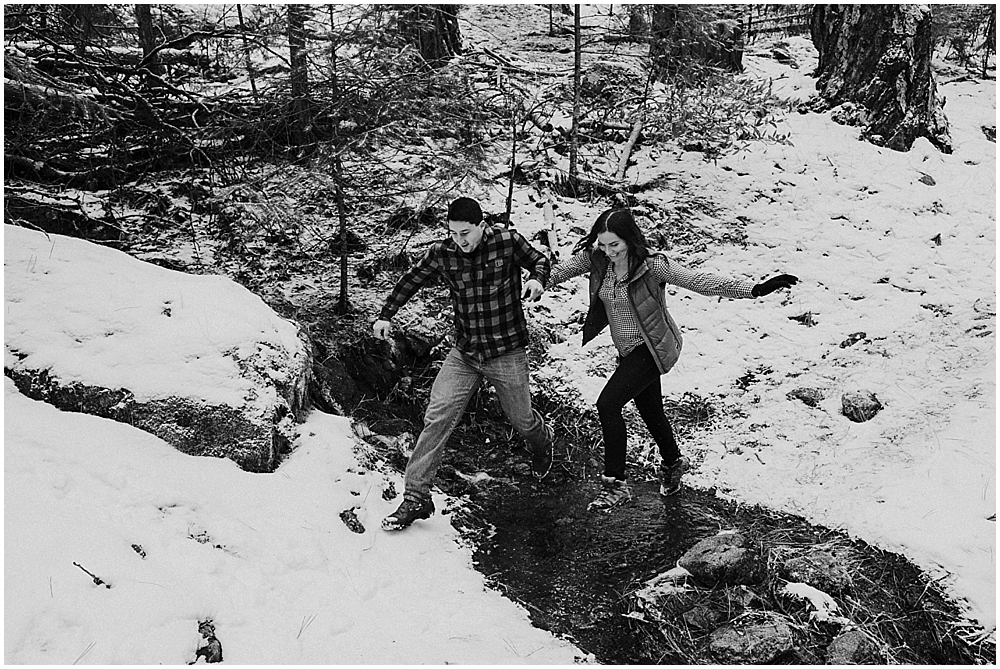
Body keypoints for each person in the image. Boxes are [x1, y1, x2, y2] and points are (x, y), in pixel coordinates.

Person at [548, 208, 797, 511]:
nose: (609, 251)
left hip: (652, 348)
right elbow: (559, 271)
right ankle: (673, 462)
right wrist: (533, 282)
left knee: (608, 403)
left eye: (615, 245)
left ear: (629, 239)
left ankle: (615, 485)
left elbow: (699, 281)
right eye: (603, 244)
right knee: (650, 411)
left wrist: (756, 289)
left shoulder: (652, 266)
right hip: (627, 350)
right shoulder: (599, 259)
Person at [374, 197, 555, 530]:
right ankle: (416, 497)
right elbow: (411, 280)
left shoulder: (507, 241)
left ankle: (544, 443)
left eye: (466, 233)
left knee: (522, 419)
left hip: (506, 351)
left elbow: (540, 261)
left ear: (482, 226)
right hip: (466, 353)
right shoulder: (444, 254)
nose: (460, 240)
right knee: (438, 413)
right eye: (454, 233)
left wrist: (536, 280)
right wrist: (386, 314)